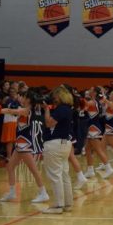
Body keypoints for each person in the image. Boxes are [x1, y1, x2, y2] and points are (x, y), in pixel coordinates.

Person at [0, 92, 50, 204]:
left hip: (25, 145)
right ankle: (12, 192)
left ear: (28, 100)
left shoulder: (27, 110)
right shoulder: (25, 109)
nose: (20, 97)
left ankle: (43, 193)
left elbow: (12, 111)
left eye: (23, 96)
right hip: (20, 145)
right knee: (10, 167)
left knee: (33, 170)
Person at [40, 86, 76, 214]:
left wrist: (46, 110)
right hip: (65, 144)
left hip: (54, 143)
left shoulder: (61, 109)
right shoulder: (68, 109)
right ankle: (68, 203)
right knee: (64, 174)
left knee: (55, 175)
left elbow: (49, 123)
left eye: (55, 96)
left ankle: (58, 206)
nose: (53, 98)